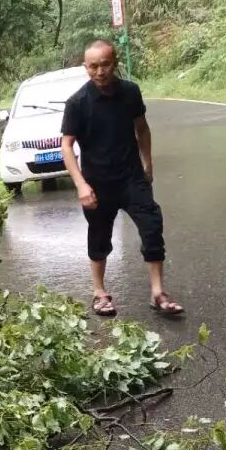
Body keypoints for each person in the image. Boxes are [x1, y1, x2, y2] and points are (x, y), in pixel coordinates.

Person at [60, 40, 184, 317]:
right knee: (99, 237)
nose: (99, 71)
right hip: (97, 183)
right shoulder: (77, 103)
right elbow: (66, 146)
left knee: (152, 227)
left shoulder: (130, 92)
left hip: (131, 177)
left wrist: (148, 163)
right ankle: (99, 293)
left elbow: (142, 128)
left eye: (105, 65)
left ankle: (158, 292)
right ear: (85, 67)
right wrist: (81, 184)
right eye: (93, 66)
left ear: (114, 63)